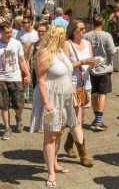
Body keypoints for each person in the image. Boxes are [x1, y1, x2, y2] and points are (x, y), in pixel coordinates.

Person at [28, 25, 79, 188]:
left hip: (64, 97)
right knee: (50, 135)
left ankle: (55, 163)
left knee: (60, 132)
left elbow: (68, 72)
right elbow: (41, 80)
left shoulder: (59, 51)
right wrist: (47, 103)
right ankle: (50, 173)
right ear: (56, 37)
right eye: (63, 36)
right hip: (51, 98)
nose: (65, 38)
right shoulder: (44, 53)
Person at [0, 21, 31, 140]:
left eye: (11, 32)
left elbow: (22, 61)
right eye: (7, 32)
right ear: (1, 32)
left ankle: (18, 118)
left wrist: (27, 74)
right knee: (4, 106)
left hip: (16, 78)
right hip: (1, 79)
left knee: (19, 105)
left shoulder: (17, 44)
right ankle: (7, 128)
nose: (10, 34)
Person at [62, 19, 94, 167]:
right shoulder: (67, 44)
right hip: (73, 85)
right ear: (73, 30)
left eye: (84, 28)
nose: (84, 31)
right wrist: (81, 63)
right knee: (77, 121)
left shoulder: (87, 43)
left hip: (86, 84)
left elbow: (91, 61)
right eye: (81, 29)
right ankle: (84, 154)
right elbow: (64, 66)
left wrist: (94, 63)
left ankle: (68, 144)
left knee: (82, 119)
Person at [84, 15, 116, 132]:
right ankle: (99, 121)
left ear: (93, 23)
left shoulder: (86, 35)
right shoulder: (107, 35)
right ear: (102, 23)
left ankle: (96, 117)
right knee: (102, 94)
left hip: (91, 68)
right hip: (104, 68)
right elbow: (112, 52)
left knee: (94, 93)